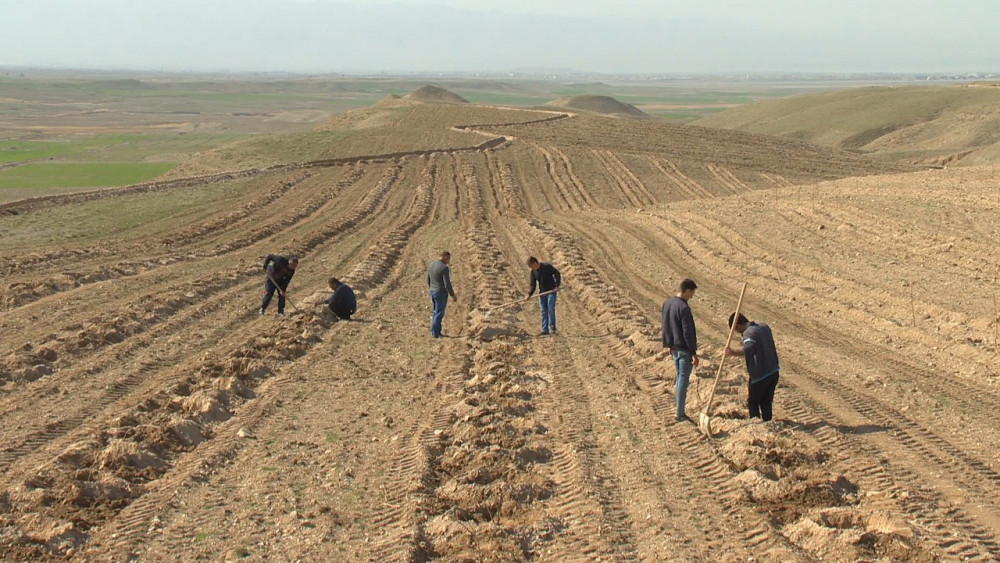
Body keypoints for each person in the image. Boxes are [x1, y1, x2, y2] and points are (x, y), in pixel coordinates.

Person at [725, 313, 780, 422]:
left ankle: (756, 426)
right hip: (774, 371)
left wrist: (732, 352)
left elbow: (749, 348)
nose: (739, 333)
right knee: (766, 401)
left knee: (753, 402)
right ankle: (768, 423)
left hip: (760, 375)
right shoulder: (764, 327)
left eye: (737, 330)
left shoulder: (748, 333)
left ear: (738, 326)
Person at [662, 278, 699, 423]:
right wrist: (693, 353)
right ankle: (680, 413)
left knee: (679, 378)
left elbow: (666, 325)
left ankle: (679, 408)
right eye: (692, 293)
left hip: (674, 348)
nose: (692, 297)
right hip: (684, 349)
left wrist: (669, 344)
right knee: (683, 379)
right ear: (687, 290)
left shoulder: (667, 303)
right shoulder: (684, 308)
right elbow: (687, 332)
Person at [525, 257, 561, 335]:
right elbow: (533, 285)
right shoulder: (533, 272)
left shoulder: (547, 266)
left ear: (535, 263)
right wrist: (529, 294)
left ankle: (552, 328)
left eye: (532, 266)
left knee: (550, 308)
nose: (532, 268)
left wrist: (556, 286)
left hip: (551, 291)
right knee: (544, 311)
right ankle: (545, 330)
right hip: (542, 293)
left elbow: (557, 274)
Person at [427, 251, 456, 338]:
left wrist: (432, 288)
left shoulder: (431, 265)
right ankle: (436, 334)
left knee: (436, 312)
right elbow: (447, 284)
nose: (448, 261)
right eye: (448, 258)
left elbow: (428, 279)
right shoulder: (444, 268)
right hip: (440, 292)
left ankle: (434, 331)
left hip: (433, 291)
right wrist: (452, 295)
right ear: (444, 257)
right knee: (439, 313)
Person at [259, 254, 298, 318]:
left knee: (282, 296)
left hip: (280, 280)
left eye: (295, 266)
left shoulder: (292, 271)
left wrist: (283, 290)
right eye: (292, 265)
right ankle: (262, 308)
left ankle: (281, 311)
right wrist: (265, 267)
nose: (293, 267)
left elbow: (287, 280)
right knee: (269, 294)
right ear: (289, 262)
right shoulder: (280, 260)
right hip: (271, 276)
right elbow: (269, 257)